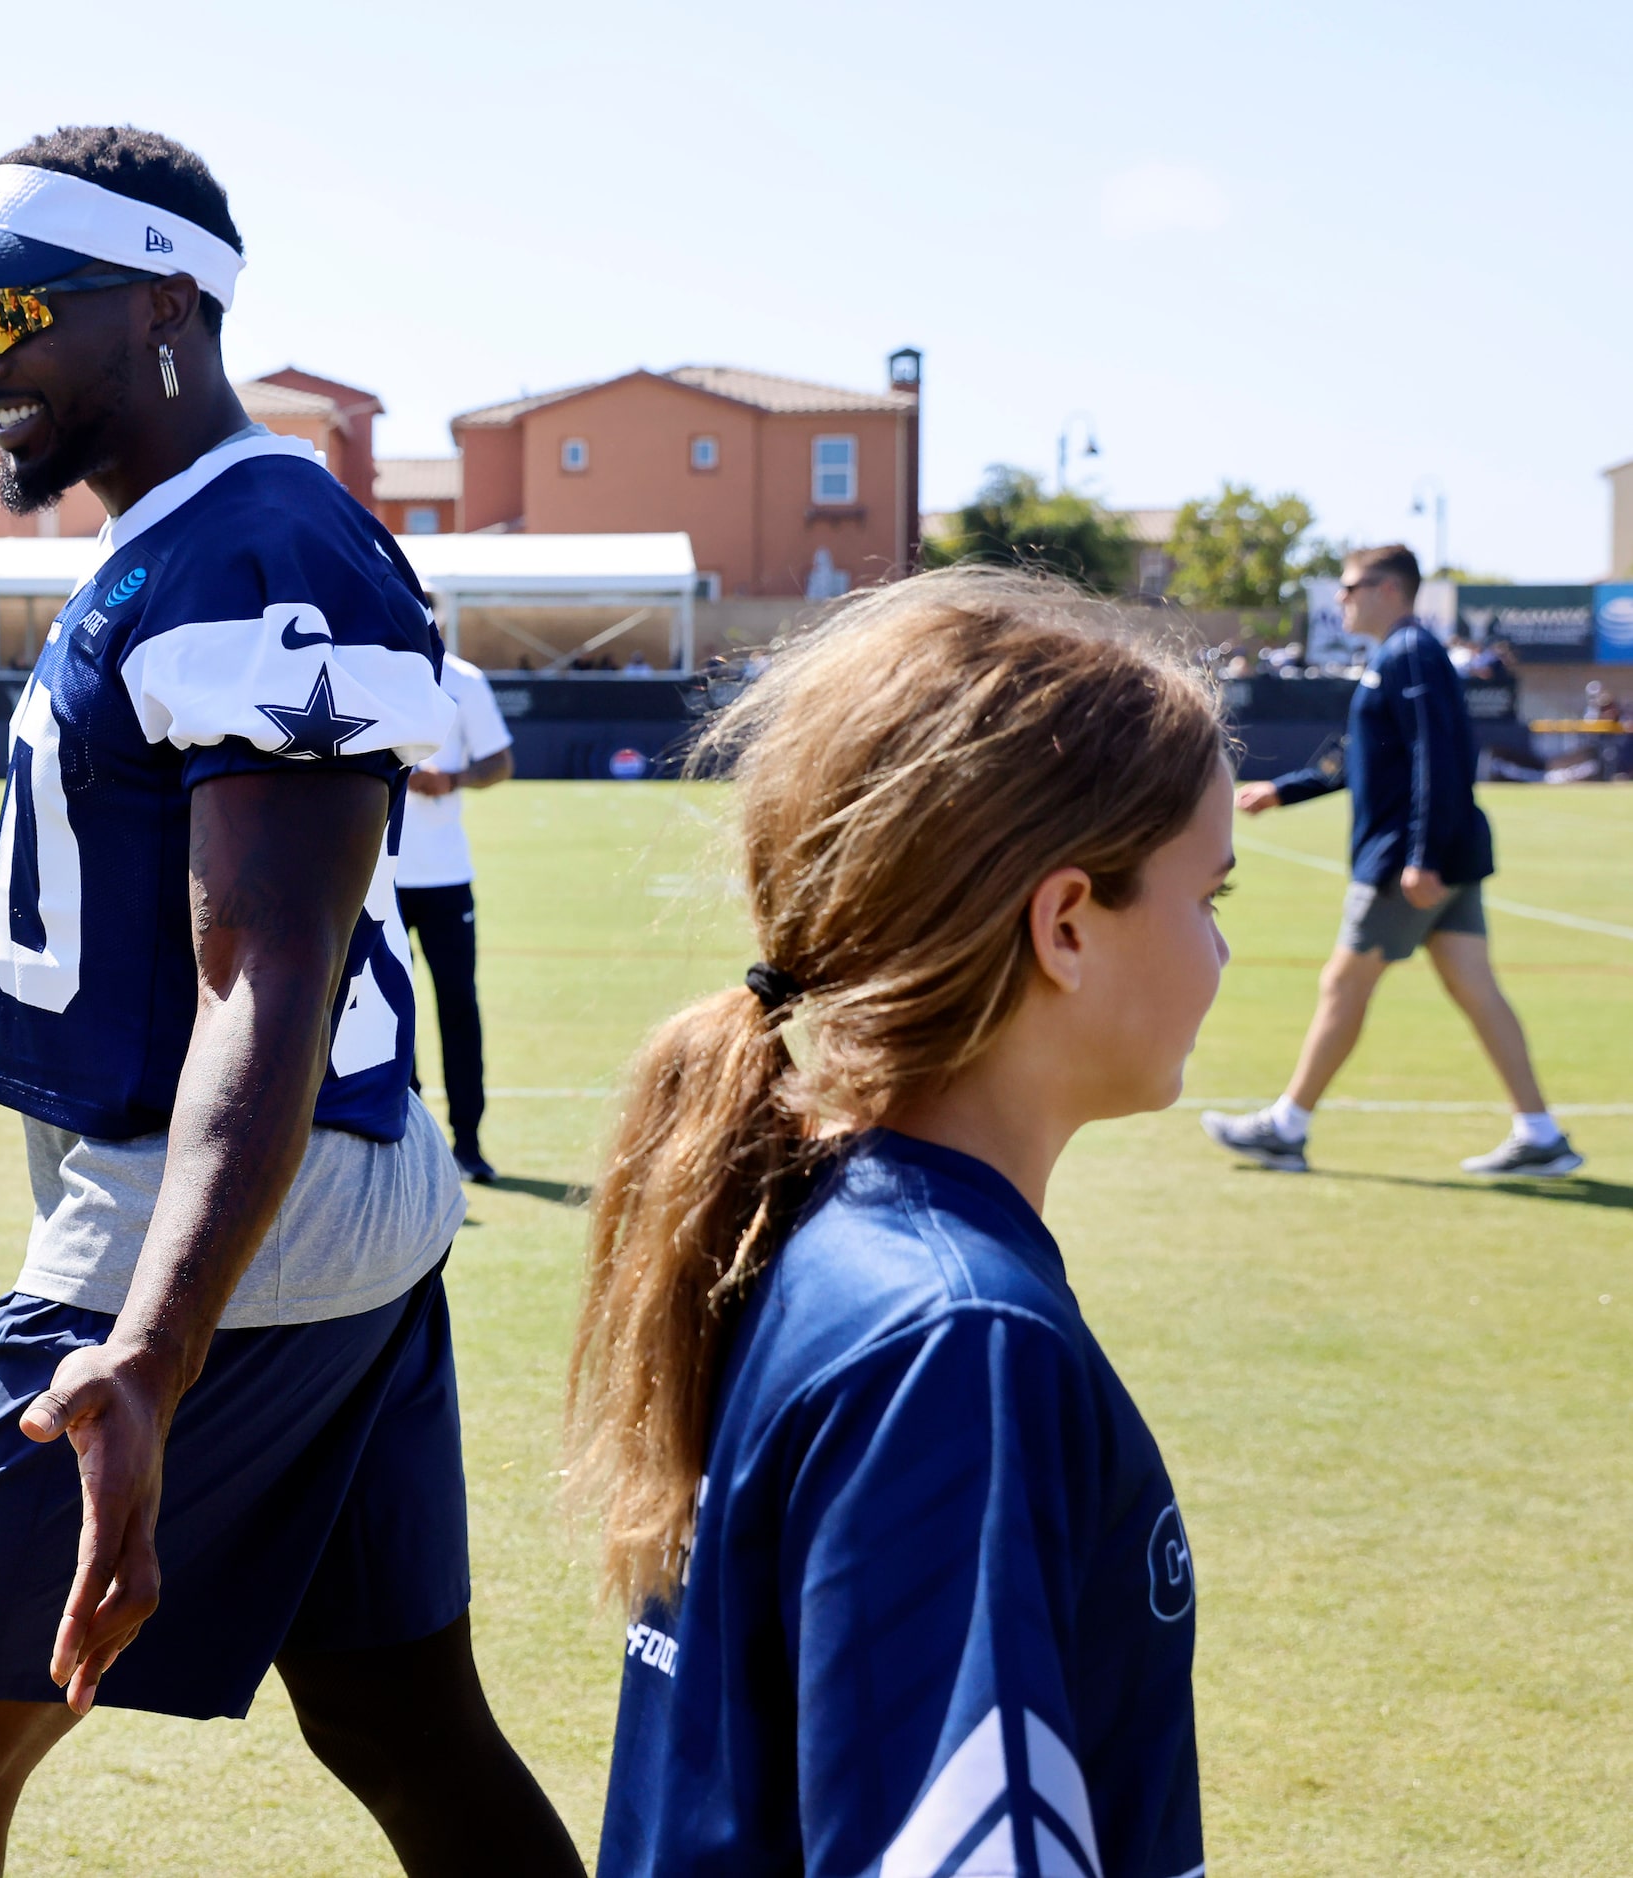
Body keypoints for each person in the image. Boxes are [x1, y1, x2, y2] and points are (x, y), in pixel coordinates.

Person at [0, 126, 578, 1878]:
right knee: (396, 1710)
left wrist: (148, 1359)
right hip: (332, 1206)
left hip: (227, 1214)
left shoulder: (258, 551)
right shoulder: (189, 540)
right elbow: (95, 895)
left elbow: (270, 975)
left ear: (165, 300)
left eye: (13, 307)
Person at [569, 567, 1226, 1876]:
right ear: (1066, 925)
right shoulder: (957, 1336)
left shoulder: (812, 1220)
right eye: (1212, 897)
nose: (1219, 951)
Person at [1200, 544, 1579, 1178]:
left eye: (1351, 587)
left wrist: (1422, 856)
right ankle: (1540, 1134)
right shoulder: (1396, 657)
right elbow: (1360, 753)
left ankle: (1286, 1128)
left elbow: (1440, 756)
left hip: (1409, 861)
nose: (1342, 599)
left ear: (1390, 590)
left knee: (1342, 985)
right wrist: (1287, 790)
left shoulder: (1413, 654)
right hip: (1437, 857)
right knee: (1476, 990)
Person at [397, 652, 515, 1182]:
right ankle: (406, 1137)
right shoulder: (363, 663)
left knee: (458, 1006)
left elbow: (499, 762)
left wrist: (452, 779)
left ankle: (468, 1142)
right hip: (380, 877)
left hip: (445, 875)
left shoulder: (465, 678)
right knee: (391, 1011)